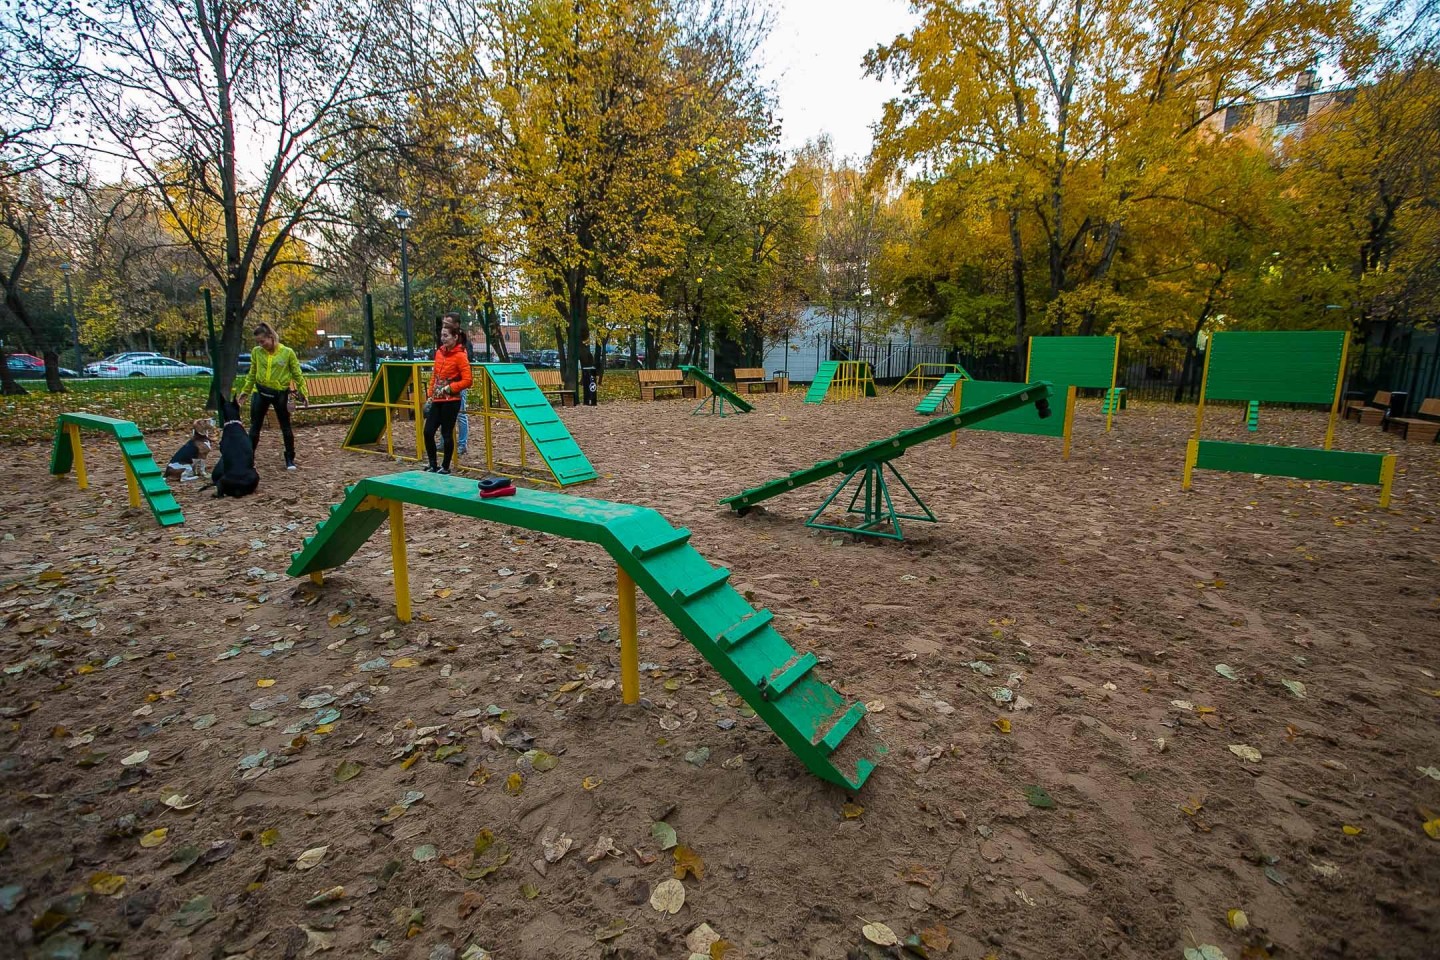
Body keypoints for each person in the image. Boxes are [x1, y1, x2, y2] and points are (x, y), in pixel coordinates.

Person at [235, 321, 309, 471]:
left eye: (263, 341)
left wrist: (304, 392)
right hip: (260, 392)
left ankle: (289, 458)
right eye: (258, 342)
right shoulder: (257, 352)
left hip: (280, 393)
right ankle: (248, 459)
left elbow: (297, 373)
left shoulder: (287, 352)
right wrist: (246, 391)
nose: (261, 344)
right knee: (255, 427)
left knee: (286, 426)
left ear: (271, 337)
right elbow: (252, 373)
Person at [424, 320, 473, 474]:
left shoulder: (460, 355)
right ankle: (433, 464)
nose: (443, 339)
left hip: (451, 400)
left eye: (446, 336)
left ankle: (445, 466)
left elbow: (468, 380)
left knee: (447, 433)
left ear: (455, 337)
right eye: (442, 336)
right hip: (437, 399)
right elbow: (435, 375)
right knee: (428, 431)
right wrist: (430, 394)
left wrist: (450, 388)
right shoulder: (439, 353)